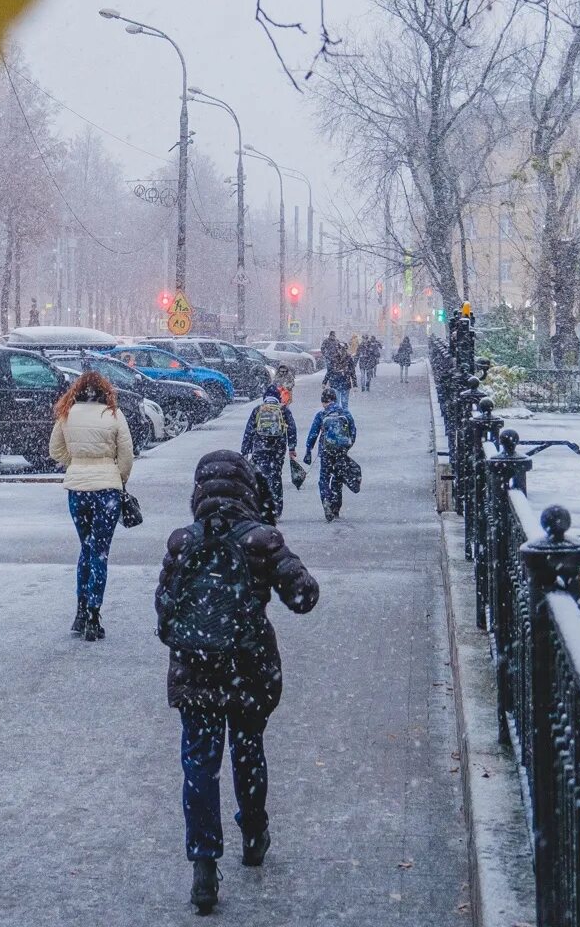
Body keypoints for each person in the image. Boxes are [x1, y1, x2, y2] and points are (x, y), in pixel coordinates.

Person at [156, 451, 320, 915]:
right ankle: (253, 833)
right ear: (247, 487)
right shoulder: (261, 540)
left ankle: (204, 866)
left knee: (199, 765)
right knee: (248, 750)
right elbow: (304, 597)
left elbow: (164, 612)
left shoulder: (182, 542)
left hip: (195, 671)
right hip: (247, 669)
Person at [49, 368, 134, 642]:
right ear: (104, 391)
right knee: (100, 552)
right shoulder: (113, 415)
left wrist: (76, 463)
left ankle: (80, 611)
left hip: (77, 489)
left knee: (85, 548)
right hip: (107, 489)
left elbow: (55, 451)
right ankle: (94, 615)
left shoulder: (67, 414)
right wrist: (118, 478)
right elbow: (127, 455)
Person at [238, 386, 297, 521]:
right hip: (278, 449)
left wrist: (245, 451)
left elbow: (249, 431)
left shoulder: (258, 410)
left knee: (260, 477)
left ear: (265, 397)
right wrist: (292, 447)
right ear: (278, 397)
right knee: (276, 477)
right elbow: (292, 429)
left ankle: (262, 508)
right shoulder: (283, 410)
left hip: (260, 448)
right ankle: (276, 509)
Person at [302, 385, 359, 522]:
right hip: (341, 452)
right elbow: (353, 432)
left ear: (324, 401)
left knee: (324, 478)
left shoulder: (321, 415)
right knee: (338, 479)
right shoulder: (345, 413)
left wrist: (308, 450)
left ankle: (326, 500)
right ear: (335, 399)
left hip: (326, 452)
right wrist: (346, 446)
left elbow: (313, 434)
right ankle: (335, 508)